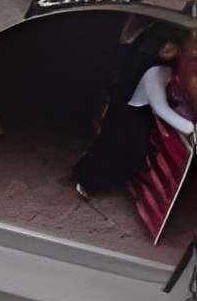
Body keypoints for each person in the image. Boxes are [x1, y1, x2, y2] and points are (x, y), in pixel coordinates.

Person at [72, 33, 193, 199]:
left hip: (140, 115)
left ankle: (105, 178)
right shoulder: (155, 71)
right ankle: (88, 182)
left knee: (126, 153)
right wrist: (188, 126)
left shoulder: (168, 69)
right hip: (132, 117)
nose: (169, 50)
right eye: (166, 46)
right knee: (114, 151)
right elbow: (160, 108)